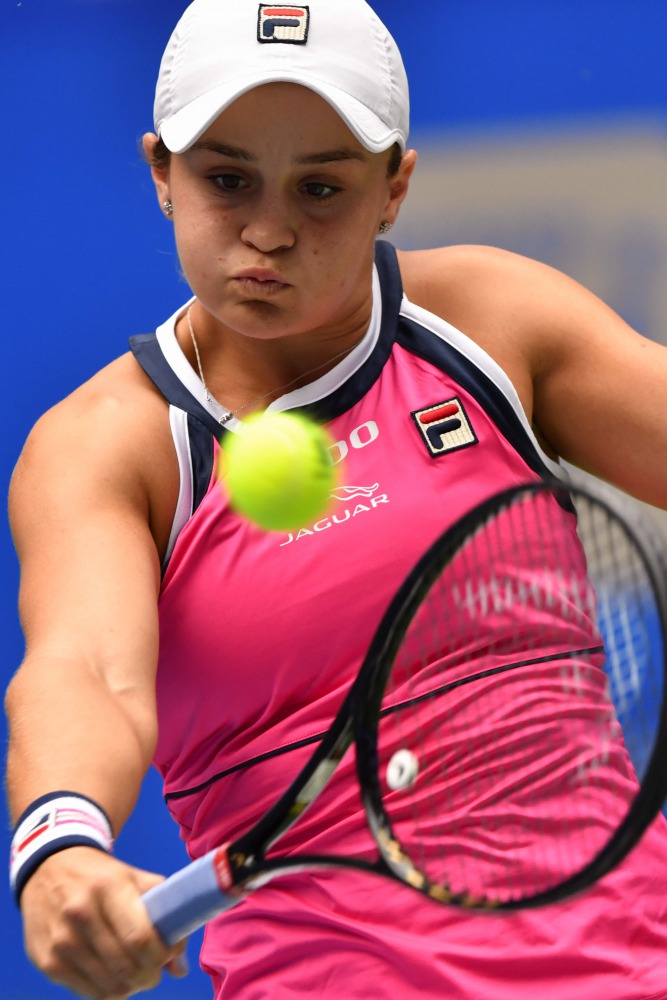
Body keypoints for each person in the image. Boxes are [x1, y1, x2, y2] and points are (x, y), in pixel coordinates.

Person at [6, 0, 667, 997]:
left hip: (629, 962)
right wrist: (61, 843)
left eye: (320, 187)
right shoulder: (109, 445)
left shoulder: (491, 322)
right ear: (161, 172)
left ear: (393, 187)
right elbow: (86, 671)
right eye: (226, 180)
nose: (268, 231)